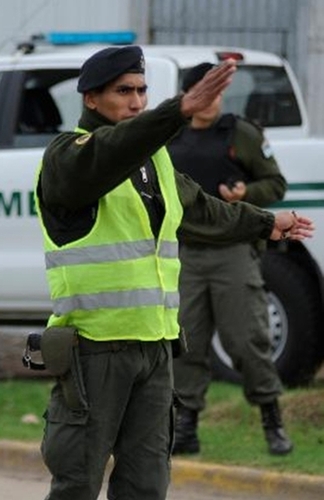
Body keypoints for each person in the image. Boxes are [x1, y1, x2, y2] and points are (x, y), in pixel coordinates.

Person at [33, 46, 313, 500]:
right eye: (124, 91)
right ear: (90, 99)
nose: (137, 101)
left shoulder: (154, 162)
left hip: (155, 348)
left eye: (143, 91)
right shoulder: (70, 158)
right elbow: (112, 150)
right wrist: (178, 110)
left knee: (147, 485)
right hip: (95, 350)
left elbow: (204, 210)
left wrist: (266, 222)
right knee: (76, 485)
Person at [167, 62, 293, 456]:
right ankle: (185, 427)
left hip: (233, 250)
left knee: (247, 340)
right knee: (186, 342)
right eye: (206, 92)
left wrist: (244, 195)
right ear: (190, 95)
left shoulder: (241, 133)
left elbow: (276, 183)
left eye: (219, 92)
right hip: (185, 253)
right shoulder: (168, 136)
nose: (213, 101)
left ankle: (272, 420)